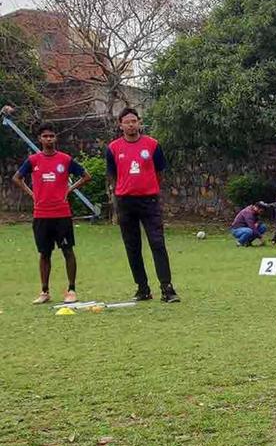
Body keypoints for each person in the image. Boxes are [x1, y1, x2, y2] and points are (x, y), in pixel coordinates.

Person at [105, 108, 180, 302]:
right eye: (127, 122)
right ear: (120, 124)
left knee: (157, 243)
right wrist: (121, 191)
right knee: (132, 246)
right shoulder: (113, 148)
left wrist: (149, 188)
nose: (131, 125)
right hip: (125, 202)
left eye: (134, 121)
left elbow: (159, 172)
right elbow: (113, 175)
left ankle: (167, 288)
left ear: (139, 122)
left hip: (149, 201)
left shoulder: (152, 145)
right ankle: (142, 288)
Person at [11, 123, 91, 304]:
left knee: (67, 250)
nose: (49, 139)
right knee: (44, 253)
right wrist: (32, 194)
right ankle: (44, 291)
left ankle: (71, 289)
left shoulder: (65, 159)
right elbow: (17, 178)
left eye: (51, 136)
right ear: (40, 139)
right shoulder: (33, 160)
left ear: (56, 138)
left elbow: (86, 176)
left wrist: (69, 189)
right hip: (41, 215)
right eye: (45, 136)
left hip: (62, 214)